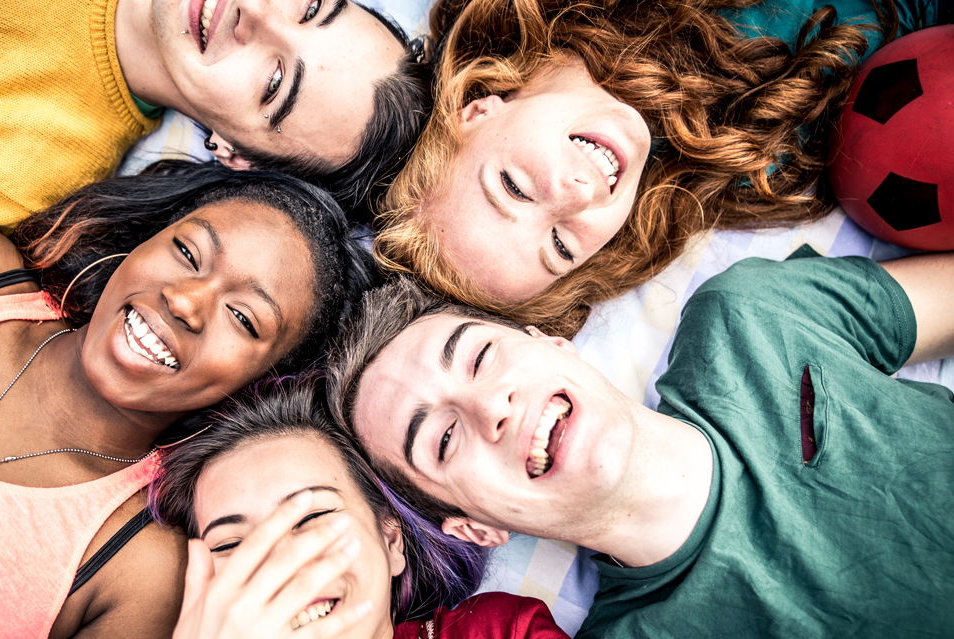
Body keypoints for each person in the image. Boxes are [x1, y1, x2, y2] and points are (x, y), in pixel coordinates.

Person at [0, 161, 373, 638]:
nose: (186, 302)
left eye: (244, 318)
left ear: (257, 385)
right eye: (187, 251)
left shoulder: (137, 571)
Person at [325, 249, 954, 637]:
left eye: (482, 357)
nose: (492, 407)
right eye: (443, 439)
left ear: (548, 341)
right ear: (475, 531)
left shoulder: (752, 315)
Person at [373, 0, 949, 337]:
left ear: (476, 111)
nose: (576, 195)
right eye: (561, 246)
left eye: (514, 188)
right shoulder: (751, 162)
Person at [0, 0, 432, 249]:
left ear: (233, 152)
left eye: (274, 83)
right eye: (310, 6)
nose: (255, 16)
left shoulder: (17, 169)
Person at [150, 374, 572, 638]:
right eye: (231, 545)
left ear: (391, 541)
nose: (283, 565)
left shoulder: (501, 632)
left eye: (311, 517)